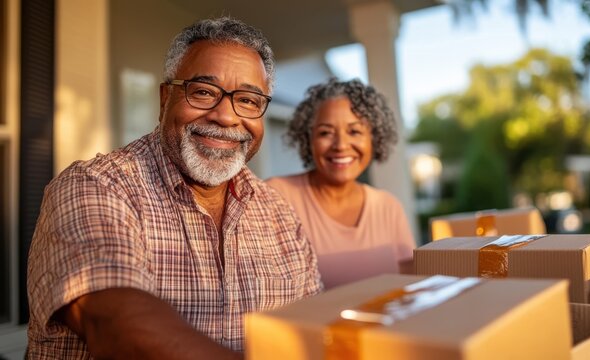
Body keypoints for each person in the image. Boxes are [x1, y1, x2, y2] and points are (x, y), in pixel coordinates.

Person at [26, 17, 322, 359]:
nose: (226, 116)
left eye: (248, 100)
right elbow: (118, 328)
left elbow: (311, 328)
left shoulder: (277, 210)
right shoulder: (95, 187)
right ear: (166, 97)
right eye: (203, 92)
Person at [266, 78, 416, 289]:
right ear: (308, 139)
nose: (341, 145)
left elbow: (409, 288)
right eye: (325, 133)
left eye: (354, 131)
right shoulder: (275, 197)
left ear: (374, 139)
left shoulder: (388, 207)